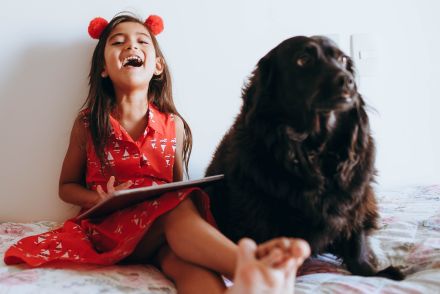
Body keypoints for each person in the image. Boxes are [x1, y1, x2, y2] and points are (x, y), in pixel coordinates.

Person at [4, 13, 310, 293]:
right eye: (118, 42)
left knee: (185, 260)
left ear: (158, 66)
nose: (130, 47)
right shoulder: (88, 123)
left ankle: (242, 287)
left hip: (161, 234)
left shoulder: (172, 124)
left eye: (141, 41)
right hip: (112, 229)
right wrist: (97, 198)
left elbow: (178, 186)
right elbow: (65, 187)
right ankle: (252, 266)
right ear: (103, 69)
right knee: (174, 211)